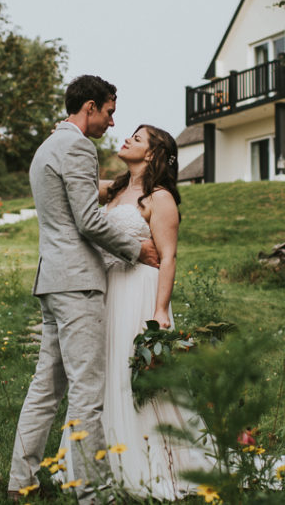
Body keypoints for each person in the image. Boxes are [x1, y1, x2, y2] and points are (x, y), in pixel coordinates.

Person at [7, 76, 160, 505]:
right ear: (90, 107)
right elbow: (88, 222)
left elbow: (74, 202)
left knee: (45, 388)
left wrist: (113, 188)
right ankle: (95, 494)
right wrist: (136, 249)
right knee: (87, 394)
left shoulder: (46, 148)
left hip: (52, 279)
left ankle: (21, 481)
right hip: (77, 284)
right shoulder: (78, 147)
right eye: (109, 112)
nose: (112, 123)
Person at [60, 124, 213, 499]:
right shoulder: (115, 188)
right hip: (109, 289)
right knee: (104, 370)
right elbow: (71, 181)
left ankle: (151, 460)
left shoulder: (159, 198)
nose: (127, 139)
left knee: (137, 376)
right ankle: (96, 461)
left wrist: (160, 311)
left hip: (140, 292)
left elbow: (169, 257)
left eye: (137, 138)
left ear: (151, 153)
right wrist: (63, 137)